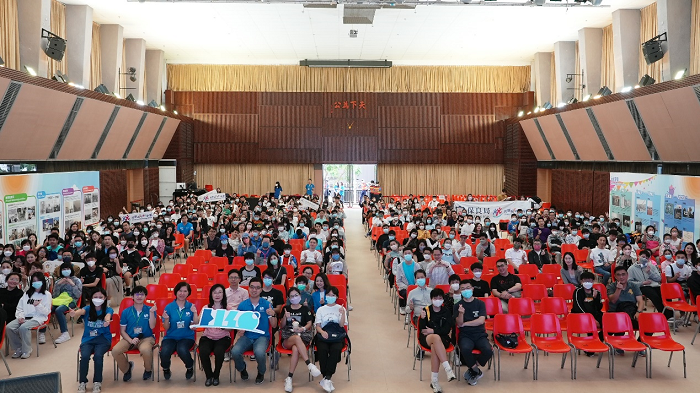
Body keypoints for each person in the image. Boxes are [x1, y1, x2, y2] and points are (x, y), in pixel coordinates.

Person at [231, 277, 277, 384]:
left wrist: (273, 314)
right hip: (247, 336)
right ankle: (242, 369)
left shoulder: (266, 304)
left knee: (260, 353)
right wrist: (239, 329)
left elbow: (274, 325)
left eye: (257, 288)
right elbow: (237, 323)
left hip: (262, 336)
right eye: (252, 287)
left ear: (261, 289)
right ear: (248, 288)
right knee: (235, 351)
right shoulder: (242, 305)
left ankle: (261, 372)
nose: (254, 290)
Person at [280, 287, 322, 392]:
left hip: (302, 336)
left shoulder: (305, 309)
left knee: (295, 349)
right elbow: (281, 325)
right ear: (289, 298)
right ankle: (309, 364)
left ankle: (289, 378)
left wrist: (303, 328)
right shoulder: (286, 308)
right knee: (296, 338)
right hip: (288, 337)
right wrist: (285, 317)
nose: (294, 298)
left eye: (296, 295)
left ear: (300, 296)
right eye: (292, 296)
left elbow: (309, 323)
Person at [71, 287, 113, 393]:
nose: (98, 299)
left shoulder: (108, 309)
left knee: (98, 356)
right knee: (84, 356)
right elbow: (80, 311)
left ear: (105, 298)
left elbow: (108, 316)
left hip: (103, 339)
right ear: (91, 298)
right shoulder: (88, 309)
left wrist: (107, 321)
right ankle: (82, 382)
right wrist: (74, 313)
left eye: (100, 297)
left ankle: (97, 382)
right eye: (95, 297)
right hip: (88, 340)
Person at [113, 285, 157, 381]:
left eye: (142, 294)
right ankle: (127, 368)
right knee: (115, 351)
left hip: (146, 338)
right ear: (132, 296)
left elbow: (152, 326)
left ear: (145, 297)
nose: (139, 296)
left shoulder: (150, 310)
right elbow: (122, 331)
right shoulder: (126, 312)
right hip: (129, 338)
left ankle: (148, 370)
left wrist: (152, 313)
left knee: (145, 350)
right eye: (137, 294)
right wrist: (131, 340)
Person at [418, 288, 456, 393]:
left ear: (443, 299)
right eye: (435, 298)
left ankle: (434, 381)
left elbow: (447, 329)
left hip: (443, 339)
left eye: (440, 298)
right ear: (431, 299)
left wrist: (433, 330)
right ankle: (447, 368)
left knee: (436, 345)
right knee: (435, 337)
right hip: (427, 338)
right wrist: (421, 318)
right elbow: (423, 330)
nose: (438, 300)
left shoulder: (446, 312)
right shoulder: (426, 310)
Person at [6, 272, 52, 359]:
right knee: (9, 327)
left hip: (38, 318)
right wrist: (20, 316)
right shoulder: (27, 293)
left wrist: (38, 305)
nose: (36, 283)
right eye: (34, 281)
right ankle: (18, 348)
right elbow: (20, 307)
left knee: (24, 327)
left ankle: (27, 350)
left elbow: (47, 312)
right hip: (24, 317)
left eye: (38, 281)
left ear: (42, 282)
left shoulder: (46, 294)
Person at [455, 280, 492, 385]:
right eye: (463, 289)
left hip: (480, 335)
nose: (466, 290)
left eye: (468, 288)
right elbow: (459, 323)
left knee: (488, 351)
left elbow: (481, 321)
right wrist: (461, 314)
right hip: (465, 335)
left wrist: (465, 324)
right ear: (460, 291)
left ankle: (472, 369)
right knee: (465, 349)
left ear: (472, 289)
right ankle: (476, 371)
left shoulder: (480, 303)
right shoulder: (457, 305)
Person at [160, 282, 199, 380]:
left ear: (188, 293)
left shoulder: (191, 307)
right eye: (180, 291)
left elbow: (195, 324)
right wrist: (167, 319)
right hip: (170, 337)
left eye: (185, 291)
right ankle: (166, 369)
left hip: (187, 337)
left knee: (182, 349)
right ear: (176, 292)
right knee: (164, 352)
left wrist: (195, 313)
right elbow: (166, 328)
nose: (182, 293)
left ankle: (190, 367)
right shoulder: (169, 307)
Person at [314, 285, 347, 393]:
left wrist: (342, 314)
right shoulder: (321, 309)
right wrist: (322, 332)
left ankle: (327, 378)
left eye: (333, 295)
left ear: (336, 297)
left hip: (337, 336)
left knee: (336, 349)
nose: (331, 296)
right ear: (326, 295)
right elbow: (317, 326)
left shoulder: (341, 308)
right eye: (329, 294)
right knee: (322, 349)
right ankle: (326, 378)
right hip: (323, 334)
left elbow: (342, 325)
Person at [199, 284, 232, 386]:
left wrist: (222, 326)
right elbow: (201, 322)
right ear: (211, 295)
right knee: (203, 351)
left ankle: (216, 375)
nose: (217, 295)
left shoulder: (228, 309)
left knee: (219, 351)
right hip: (208, 336)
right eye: (215, 292)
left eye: (220, 292)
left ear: (223, 294)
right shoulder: (206, 308)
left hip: (223, 337)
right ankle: (209, 376)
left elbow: (231, 329)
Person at [627, 250, 671, 319]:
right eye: (643, 257)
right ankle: (665, 315)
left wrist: (650, 272)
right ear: (638, 256)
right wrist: (642, 283)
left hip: (655, 285)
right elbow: (629, 282)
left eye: (647, 258)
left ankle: (670, 315)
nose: (645, 259)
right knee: (654, 296)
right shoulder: (632, 269)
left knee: (666, 294)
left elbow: (659, 278)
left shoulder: (651, 266)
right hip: (643, 287)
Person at [571, 271, 603, 355]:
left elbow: (599, 307)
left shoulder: (597, 292)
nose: (587, 282)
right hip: (580, 316)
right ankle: (590, 348)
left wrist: (595, 298)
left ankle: (596, 341)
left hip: (595, 314)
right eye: (585, 280)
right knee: (591, 325)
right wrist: (591, 319)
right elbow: (577, 307)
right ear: (581, 281)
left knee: (609, 325)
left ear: (593, 281)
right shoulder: (578, 291)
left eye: (590, 280)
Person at [50, 261, 83, 344]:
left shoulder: (76, 280)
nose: (66, 270)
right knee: (49, 308)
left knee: (59, 310)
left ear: (71, 270)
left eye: (67, 269)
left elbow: (78, 295)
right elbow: (54, 296)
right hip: (59, 300)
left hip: (72, 301)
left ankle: (65, 333)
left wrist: (72, 285)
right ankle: (42, 332)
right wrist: (58, 285)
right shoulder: (58, 281)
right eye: (64, 269)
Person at [607, 266, 644, 335]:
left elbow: (640, 301)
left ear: (627, 275)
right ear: (615, 276)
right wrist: (618, 289)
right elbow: (613, 300)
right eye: (618, 275)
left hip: (631, 312)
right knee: (620, 328)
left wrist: (639, 312)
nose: (621, 277)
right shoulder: (611, 286)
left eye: (623, 274)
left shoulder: (634, 286)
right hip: (616, 313)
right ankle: (617, 344)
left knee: (648, 328)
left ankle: (639, 343)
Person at [395, 248, 420, 315]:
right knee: (408, 294)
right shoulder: (399, 266)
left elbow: (420, 278)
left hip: (416, 287)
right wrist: (407, 287)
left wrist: (415, 286)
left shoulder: (417, 265)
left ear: (412, 254)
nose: (407, 255)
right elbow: (398, 281)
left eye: (409, 253)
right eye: (405, 253)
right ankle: (408, 313)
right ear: (403, 255)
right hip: (404, 288)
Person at [0, 272, 22, 338]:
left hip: (12, 316)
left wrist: (3, 305)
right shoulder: (1, 291)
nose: (13, 281)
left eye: (16, 280)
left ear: (19, 282)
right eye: (11, 279)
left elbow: (15, 306)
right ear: (7, 280)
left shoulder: (20, 293)